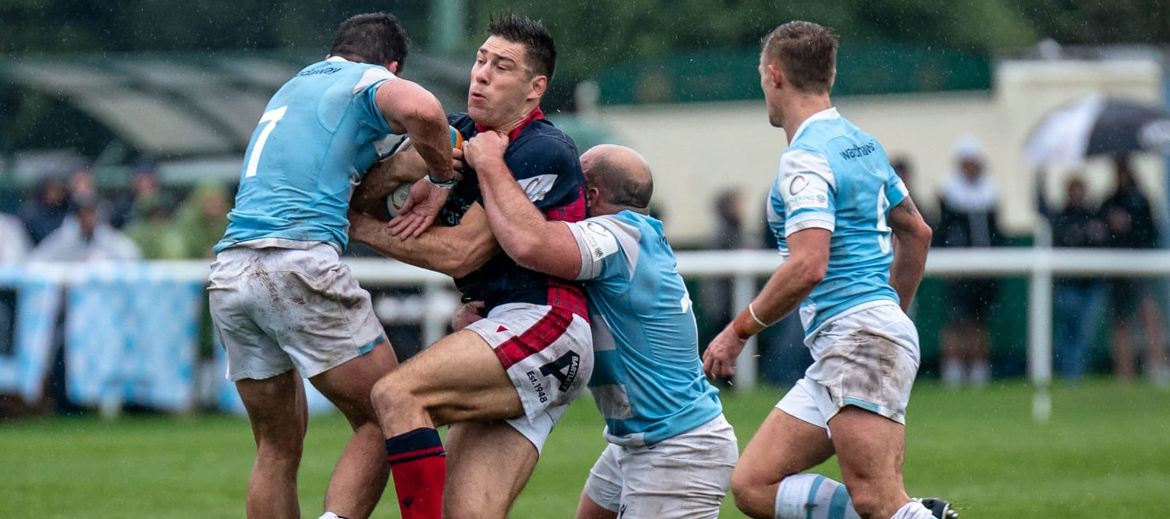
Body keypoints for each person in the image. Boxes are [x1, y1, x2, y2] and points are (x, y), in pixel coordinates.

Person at [206, 13, 456, 519]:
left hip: (231, 272)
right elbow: (427, 112)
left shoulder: (293, 86)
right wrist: (442, 177)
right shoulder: (369, 81)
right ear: (392, 65)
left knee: (276, 449)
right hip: (295, 263)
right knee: (390, 411)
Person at [702, 21, 954, 519]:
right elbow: (917, 233)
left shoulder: (805, 158)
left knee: (877, 500)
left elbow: (808, 266)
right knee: (754, 484)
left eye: (761, 79)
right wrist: (891, 314)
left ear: (774, 75)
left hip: (856, 338)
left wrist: (737, 331)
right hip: (857, 339)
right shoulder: (862, 143)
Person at [347, 14, 593, 519]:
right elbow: (367, 196)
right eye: (481, 60)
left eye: (502, 67)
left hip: (547, 322)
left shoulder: (542, 148)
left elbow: (461, 253)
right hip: (502, 327)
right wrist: (415, 164)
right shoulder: (456, 131)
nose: (481, 74)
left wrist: (354, 227)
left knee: (396, 394)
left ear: (534, 88)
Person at [466, 142, 738, 519]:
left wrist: (490, 163)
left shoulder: (614, 236)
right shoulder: (635, 238)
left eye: (573, 184)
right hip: (640, 440)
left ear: (590, 194)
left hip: (677, 446)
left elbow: (530, 243)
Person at [934, 134, 1002, 388]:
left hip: (985, 271)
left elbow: (995, 234)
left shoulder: (991, 191)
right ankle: (953, 372)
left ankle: (979, 371)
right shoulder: (948, 192)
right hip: (958, 269)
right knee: (955, 321)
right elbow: (943, 232)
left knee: (979, 321)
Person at [1100, 155, 1167, 384]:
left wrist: (1130, 223)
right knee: (1120, 321)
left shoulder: (1140, 200)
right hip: (1116, 271)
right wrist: (1113, 225)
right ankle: (1124, 372)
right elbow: (1102, 233)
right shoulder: (1109, 202)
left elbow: (1150, 230)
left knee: (1148, 314)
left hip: (1138, 266)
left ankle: (1156, 364)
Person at [1036, 172, 1108, 380]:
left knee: (1083, 334)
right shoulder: (1061, 217)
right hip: (1067, 285)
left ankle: (1075, 373)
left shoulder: (1095, 216)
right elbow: (1041, 207)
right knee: (1069, 332)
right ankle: (1071, 374)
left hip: (1091, 285)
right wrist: (1040, 173)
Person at [28, 194, 141, 262]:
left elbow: (133, 254)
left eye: (91, 212)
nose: (89, 217)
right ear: (78, 216)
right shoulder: (66, 237)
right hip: (72, 297)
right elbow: (36, 261)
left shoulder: (104, 235)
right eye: (85, 213)